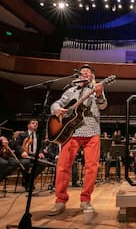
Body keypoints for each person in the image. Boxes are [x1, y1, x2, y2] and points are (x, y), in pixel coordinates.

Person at [48, 64, 107, 216]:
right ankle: (60, 201)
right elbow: (57, 103)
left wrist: (100, 95)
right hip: (70, 131)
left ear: (92, 76)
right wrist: (56, 110)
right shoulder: (70, 90)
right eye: (82, 72)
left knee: (91, 167)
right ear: (78, 76)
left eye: (88, 72)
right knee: (62, 166)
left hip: (92, 131)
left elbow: (103, 106)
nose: (85, 74)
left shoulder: (96, 89)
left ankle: (85, 200)